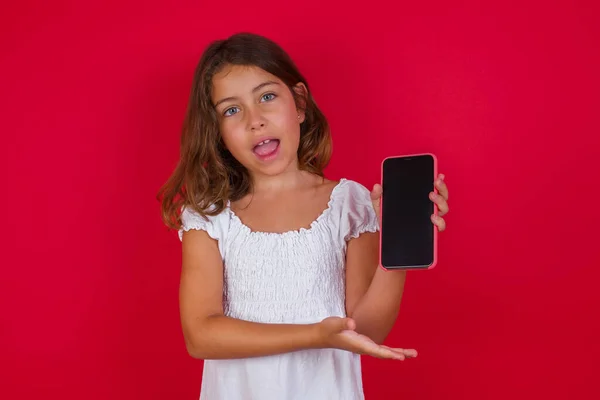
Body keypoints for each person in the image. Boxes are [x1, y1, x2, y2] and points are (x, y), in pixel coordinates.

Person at [158, 32, 450, 400]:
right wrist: (314, 335)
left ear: (299, 103)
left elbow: (366, 331)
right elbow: (200, 336)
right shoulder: (210, 215)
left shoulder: (349, 204)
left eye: (267, 96)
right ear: (218, 133)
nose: (255, 120)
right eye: (232, 110)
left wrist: (399, 245)